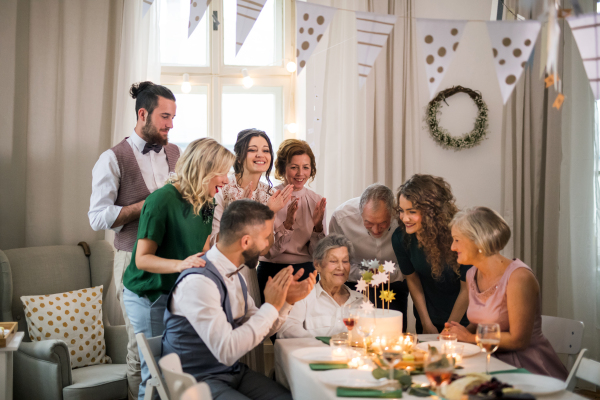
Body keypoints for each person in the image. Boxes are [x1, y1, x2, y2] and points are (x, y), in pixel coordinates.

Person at [162, 200, 317, 399]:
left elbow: (261, 329)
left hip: (231, 372)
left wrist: (286, 302)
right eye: (265, 237)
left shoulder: (236, 275)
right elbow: (226, 351)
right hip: (196, 380)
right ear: (245, 242)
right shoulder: (199, 282)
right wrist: (271, 305)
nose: (267, 245)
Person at [122, 138, 235, 399]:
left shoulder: (207, 200)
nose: (226, 181)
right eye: (222, 173)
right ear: (203, 169)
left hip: (179, 292)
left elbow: (202, 246)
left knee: (180, 371)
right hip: (150, 294)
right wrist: (181, 264)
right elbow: (142, 259)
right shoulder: (161, 200)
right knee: (157, 374)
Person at [88, 81, 180, 399]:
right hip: (131, 260)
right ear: (143, 114)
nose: (171, 124)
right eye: (165, 117)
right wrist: (146, 206)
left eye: (173, 117)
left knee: (172, 340)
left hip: (171, 260)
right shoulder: (112, 159)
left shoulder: (175, 152)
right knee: (138, 346)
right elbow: (97, 217)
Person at [445, 207, 568, 380]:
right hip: (489, 361)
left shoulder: (519, 278)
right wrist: (458, 334)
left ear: (478, 242)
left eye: (457, 240)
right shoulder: (472, 274)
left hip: (526, 367)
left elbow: (518, 340)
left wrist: (470, 338)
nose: (452, 247)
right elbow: (480, 321)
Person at [391, 174, 471, 334]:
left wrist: (449, 328)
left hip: (465, 322)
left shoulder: (460, 235)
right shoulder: (400, 238)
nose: (404, 218)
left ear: (431, 212)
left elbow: (467, 289)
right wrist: (426, 323)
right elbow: (412, 281)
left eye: (411, 212)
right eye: (401, 211)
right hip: (428, 321)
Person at [329, 184, 409, 331]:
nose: (376, 230)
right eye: (369, 223)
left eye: (383, 223)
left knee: (392, 330)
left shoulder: (404, 217)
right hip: (355, 282)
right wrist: (365, 275)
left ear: (392, 213)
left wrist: (388, 275)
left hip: (395, 281)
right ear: (360, 213)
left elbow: (411, 265)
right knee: (360, 330)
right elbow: (336, 262)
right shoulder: (342, 217)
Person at [258, 139, 327, 303]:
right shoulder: (268, 197)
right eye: (294, 167)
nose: (300, 173)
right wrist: (287, 224)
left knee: (305, 326)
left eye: (305, 167)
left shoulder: (316, 200)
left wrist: (318, 227)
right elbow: (270, 251)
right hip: (273, 272)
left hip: (306, 272)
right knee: (271, 325)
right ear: (283, 168)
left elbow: (318, 254)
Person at [211, 129, 293, 246]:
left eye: (266, 150)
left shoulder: (270, 194)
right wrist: (238, 216)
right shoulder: (222, 189)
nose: (260, 155)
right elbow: (213, 243)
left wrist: (269, 212)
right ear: (238, 157)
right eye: (252, 150)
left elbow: (265, 250)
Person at [278, 234, 365, 338]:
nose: (341, 267)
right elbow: (286, 330)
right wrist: (322, 342)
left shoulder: (361, 300)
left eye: (345, 261)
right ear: (317, 265)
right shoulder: (304, 297)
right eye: (333, 261)